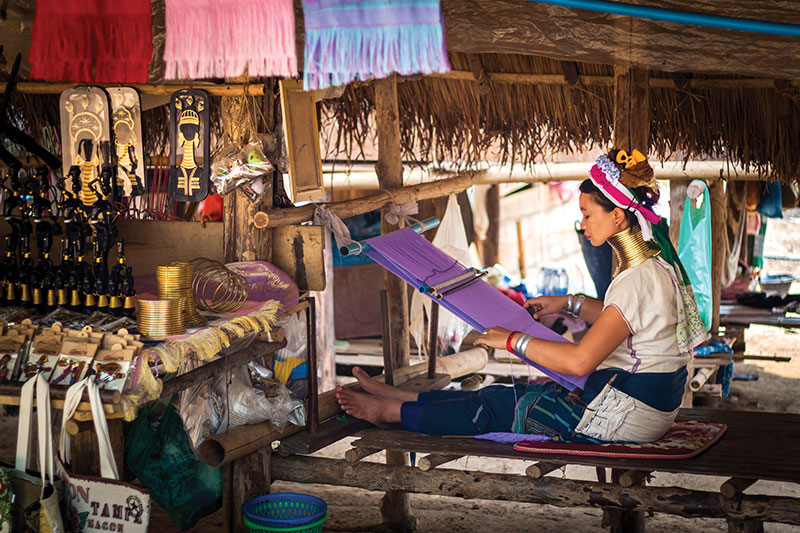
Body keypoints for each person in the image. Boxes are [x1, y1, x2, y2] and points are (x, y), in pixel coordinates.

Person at [336, 149, 706, 443]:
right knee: (499, 394)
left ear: (619, 217)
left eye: (588, 214)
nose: (583, 224)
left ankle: (388, 413)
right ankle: (398, 399)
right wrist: (568, 303)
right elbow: (625, 317)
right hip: (649, 403)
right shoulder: (656, 265)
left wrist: (511, 340)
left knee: (499, 408)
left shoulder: (635, 279)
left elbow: (579, 362)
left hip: (628, 416)